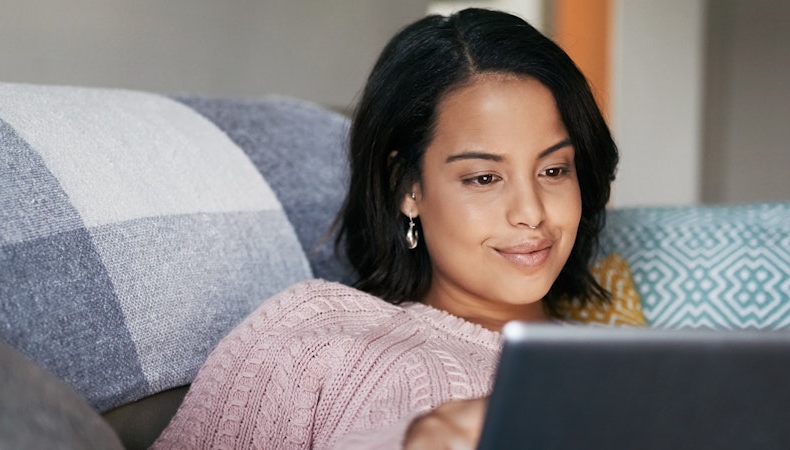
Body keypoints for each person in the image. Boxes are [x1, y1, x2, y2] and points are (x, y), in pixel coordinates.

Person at [153, 8, 619, 449]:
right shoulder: (314, 333)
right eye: (483, 178)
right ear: (407, 185)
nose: (531, 212)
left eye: (554, 171)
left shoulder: (629, 371)